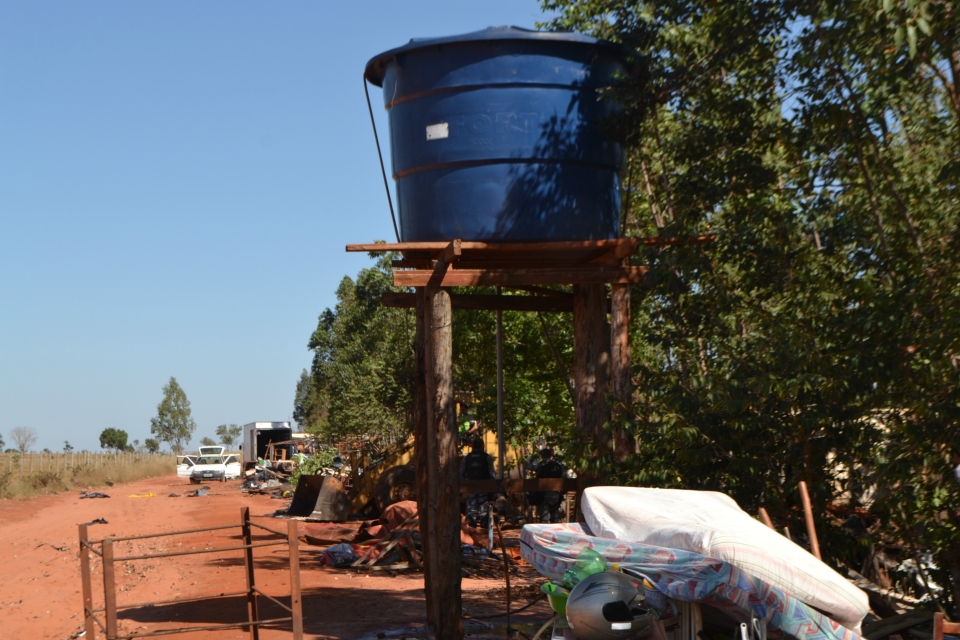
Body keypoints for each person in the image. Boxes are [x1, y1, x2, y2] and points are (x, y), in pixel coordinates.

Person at [460, 437, 496, 528]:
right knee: (484, 513)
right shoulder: (487, 457)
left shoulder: (467, 458)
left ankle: (472, 534)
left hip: (471, 488)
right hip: (484, 488)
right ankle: (484, 536)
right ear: (481, 446)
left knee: (472, 512)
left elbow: (461, 474)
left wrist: (465, 485)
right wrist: (493, 488)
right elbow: (492, 474)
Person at [535, 448, 565, 523]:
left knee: (545, 518)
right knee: (556, 517)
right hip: (555, 494)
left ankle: (545, 531)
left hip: (543, 495)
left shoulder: (540, 465)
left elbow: (528, 465)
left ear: (542, 456)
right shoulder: (557, 465)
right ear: (550, 455)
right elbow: (564, 477)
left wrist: (534, 456)